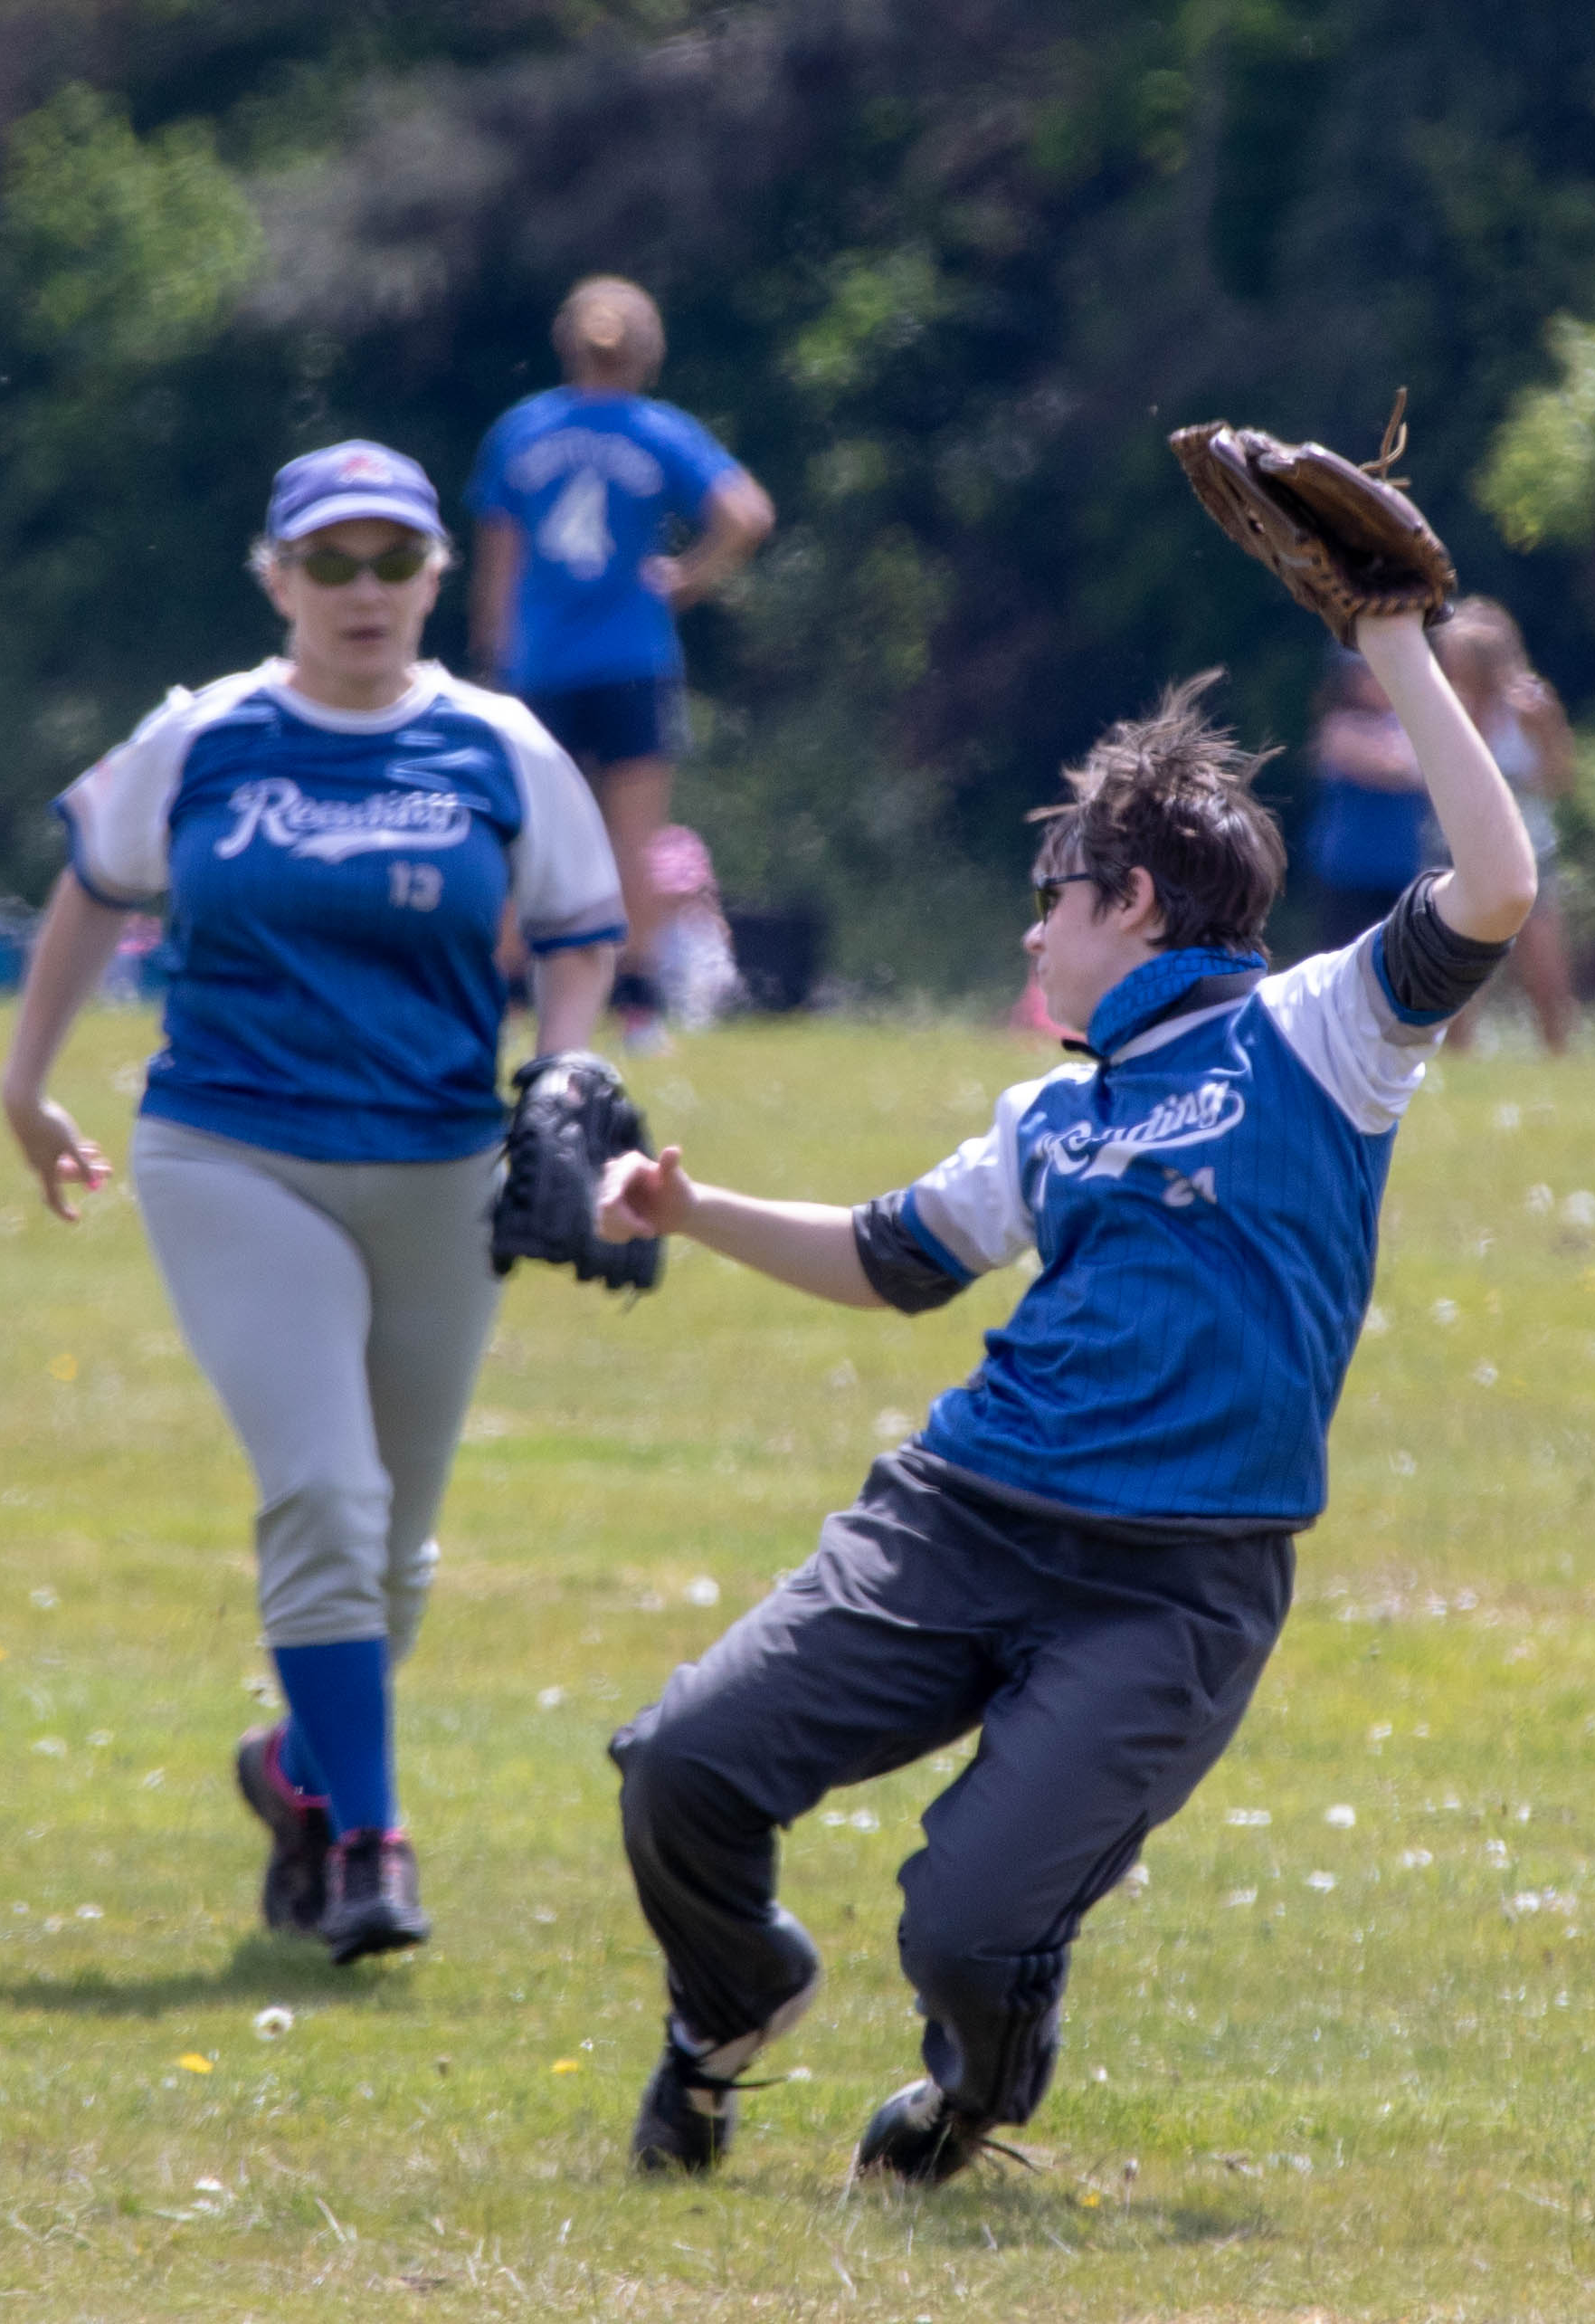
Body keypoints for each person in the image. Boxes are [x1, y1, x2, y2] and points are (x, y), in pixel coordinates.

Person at [593, 607, 1537, 2183]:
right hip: (957, 1524)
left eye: (1053, 901)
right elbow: (891, 1257)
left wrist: (1387, 640)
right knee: (680, 1766)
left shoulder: (1319, 1033)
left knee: (967, 1923)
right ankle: (731, 2005)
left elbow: (1497, 886)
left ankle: (966, 2095)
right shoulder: (1050, 1113)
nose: (1031, 937)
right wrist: (690, 1212)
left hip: (1171, 1586)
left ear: (1136, 901)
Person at [0, 440, 626, 1963]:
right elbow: (97, 882)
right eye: (328, 562)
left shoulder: (496, 744)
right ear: (277, 577)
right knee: (326, 1500)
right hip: (233, 1149)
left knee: (394, 1552)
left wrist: (563, 1072)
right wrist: (28, 1079)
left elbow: (579, 926)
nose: (363, 590)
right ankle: (368, 1839)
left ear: (432, 578)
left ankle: (292, 1767)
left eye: (392, 561)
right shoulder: (204, 734)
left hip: (436, 1164)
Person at [468, 277, 774, 1043]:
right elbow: (747, 514)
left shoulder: (522, 429)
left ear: (568, 344)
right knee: (631, 838)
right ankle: (638, 1004)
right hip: (634, 656)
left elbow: (497, 560)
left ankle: (504, 992)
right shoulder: (657, 430)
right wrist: (688, 578)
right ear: (648, 352)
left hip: (539, 664)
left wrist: (491, 658)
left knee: (523, 832)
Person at [1434, 599, 1579, 1053]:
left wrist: (1548, 730)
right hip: (1458, 851)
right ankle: (1460, 1060)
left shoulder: (1531, 708)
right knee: (1457, 974)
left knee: (1545, 971)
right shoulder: (1446, 707)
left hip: (1528, 850)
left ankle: (1558, 1057)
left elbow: (1560, 782)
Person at [1295, 650, 1439, 954]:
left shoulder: (1407, 723)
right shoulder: (1339, 727)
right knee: (1345, 961)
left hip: (1402, 868)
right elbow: (1395, 772)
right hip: (1351, 871)